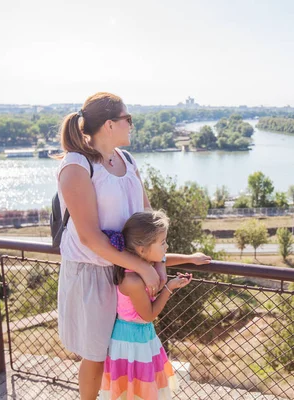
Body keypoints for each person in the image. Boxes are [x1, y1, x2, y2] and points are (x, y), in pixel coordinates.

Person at [56, 92, 211, 399]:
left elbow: (150, 223)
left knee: (121, 350)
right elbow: (89, 237)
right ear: (110, 125)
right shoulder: (76, 166)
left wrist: (160, 264)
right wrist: (141, 265)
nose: (132, 125)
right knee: (96, 354)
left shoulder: (126, 161)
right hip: (94, 272)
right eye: (128, 119)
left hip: (125, 270)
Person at [100, 210, 192, 400]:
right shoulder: (133, 280)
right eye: (163, 242)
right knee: (137, 392)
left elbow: (163, 257)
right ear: (142, 250)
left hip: (142, 336)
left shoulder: (142, 264)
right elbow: (149, 315)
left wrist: (191, 258)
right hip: (131, 341)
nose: (166, 246)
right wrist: (169, 287)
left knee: (142, 390)